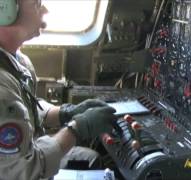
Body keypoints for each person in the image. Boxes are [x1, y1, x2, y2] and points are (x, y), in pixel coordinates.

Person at [0, 0, 117, 179]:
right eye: (37, 3)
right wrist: (76, 128)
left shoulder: (16, 59)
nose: (45, 10)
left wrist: (63, 112)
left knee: (91, 158)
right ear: (5, 10)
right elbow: (24, 171)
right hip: (19, 170)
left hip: (23, 156)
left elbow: (25, 107)